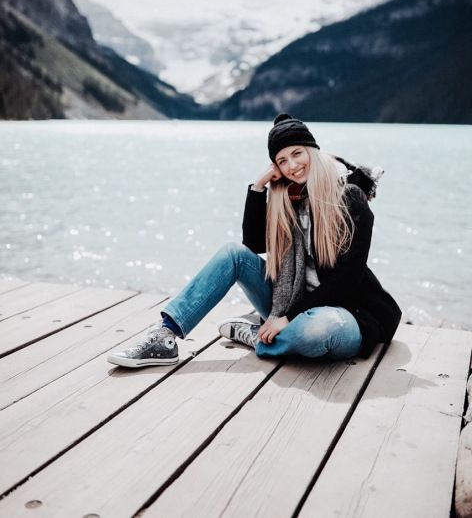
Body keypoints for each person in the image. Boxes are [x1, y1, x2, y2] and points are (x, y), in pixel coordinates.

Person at [108, 113, 402, 368]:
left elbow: (347, 280)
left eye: (297, 153)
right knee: (233, 253)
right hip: (289, 303)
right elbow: (252, 244)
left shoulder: (349, 197)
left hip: (346, 312)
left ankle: (257, 337)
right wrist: (258, 188)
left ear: (313, 150)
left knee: (318, 330)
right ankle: (165, 336)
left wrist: (287, 318)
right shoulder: (289, 198)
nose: (292, 166)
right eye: (282, 160)